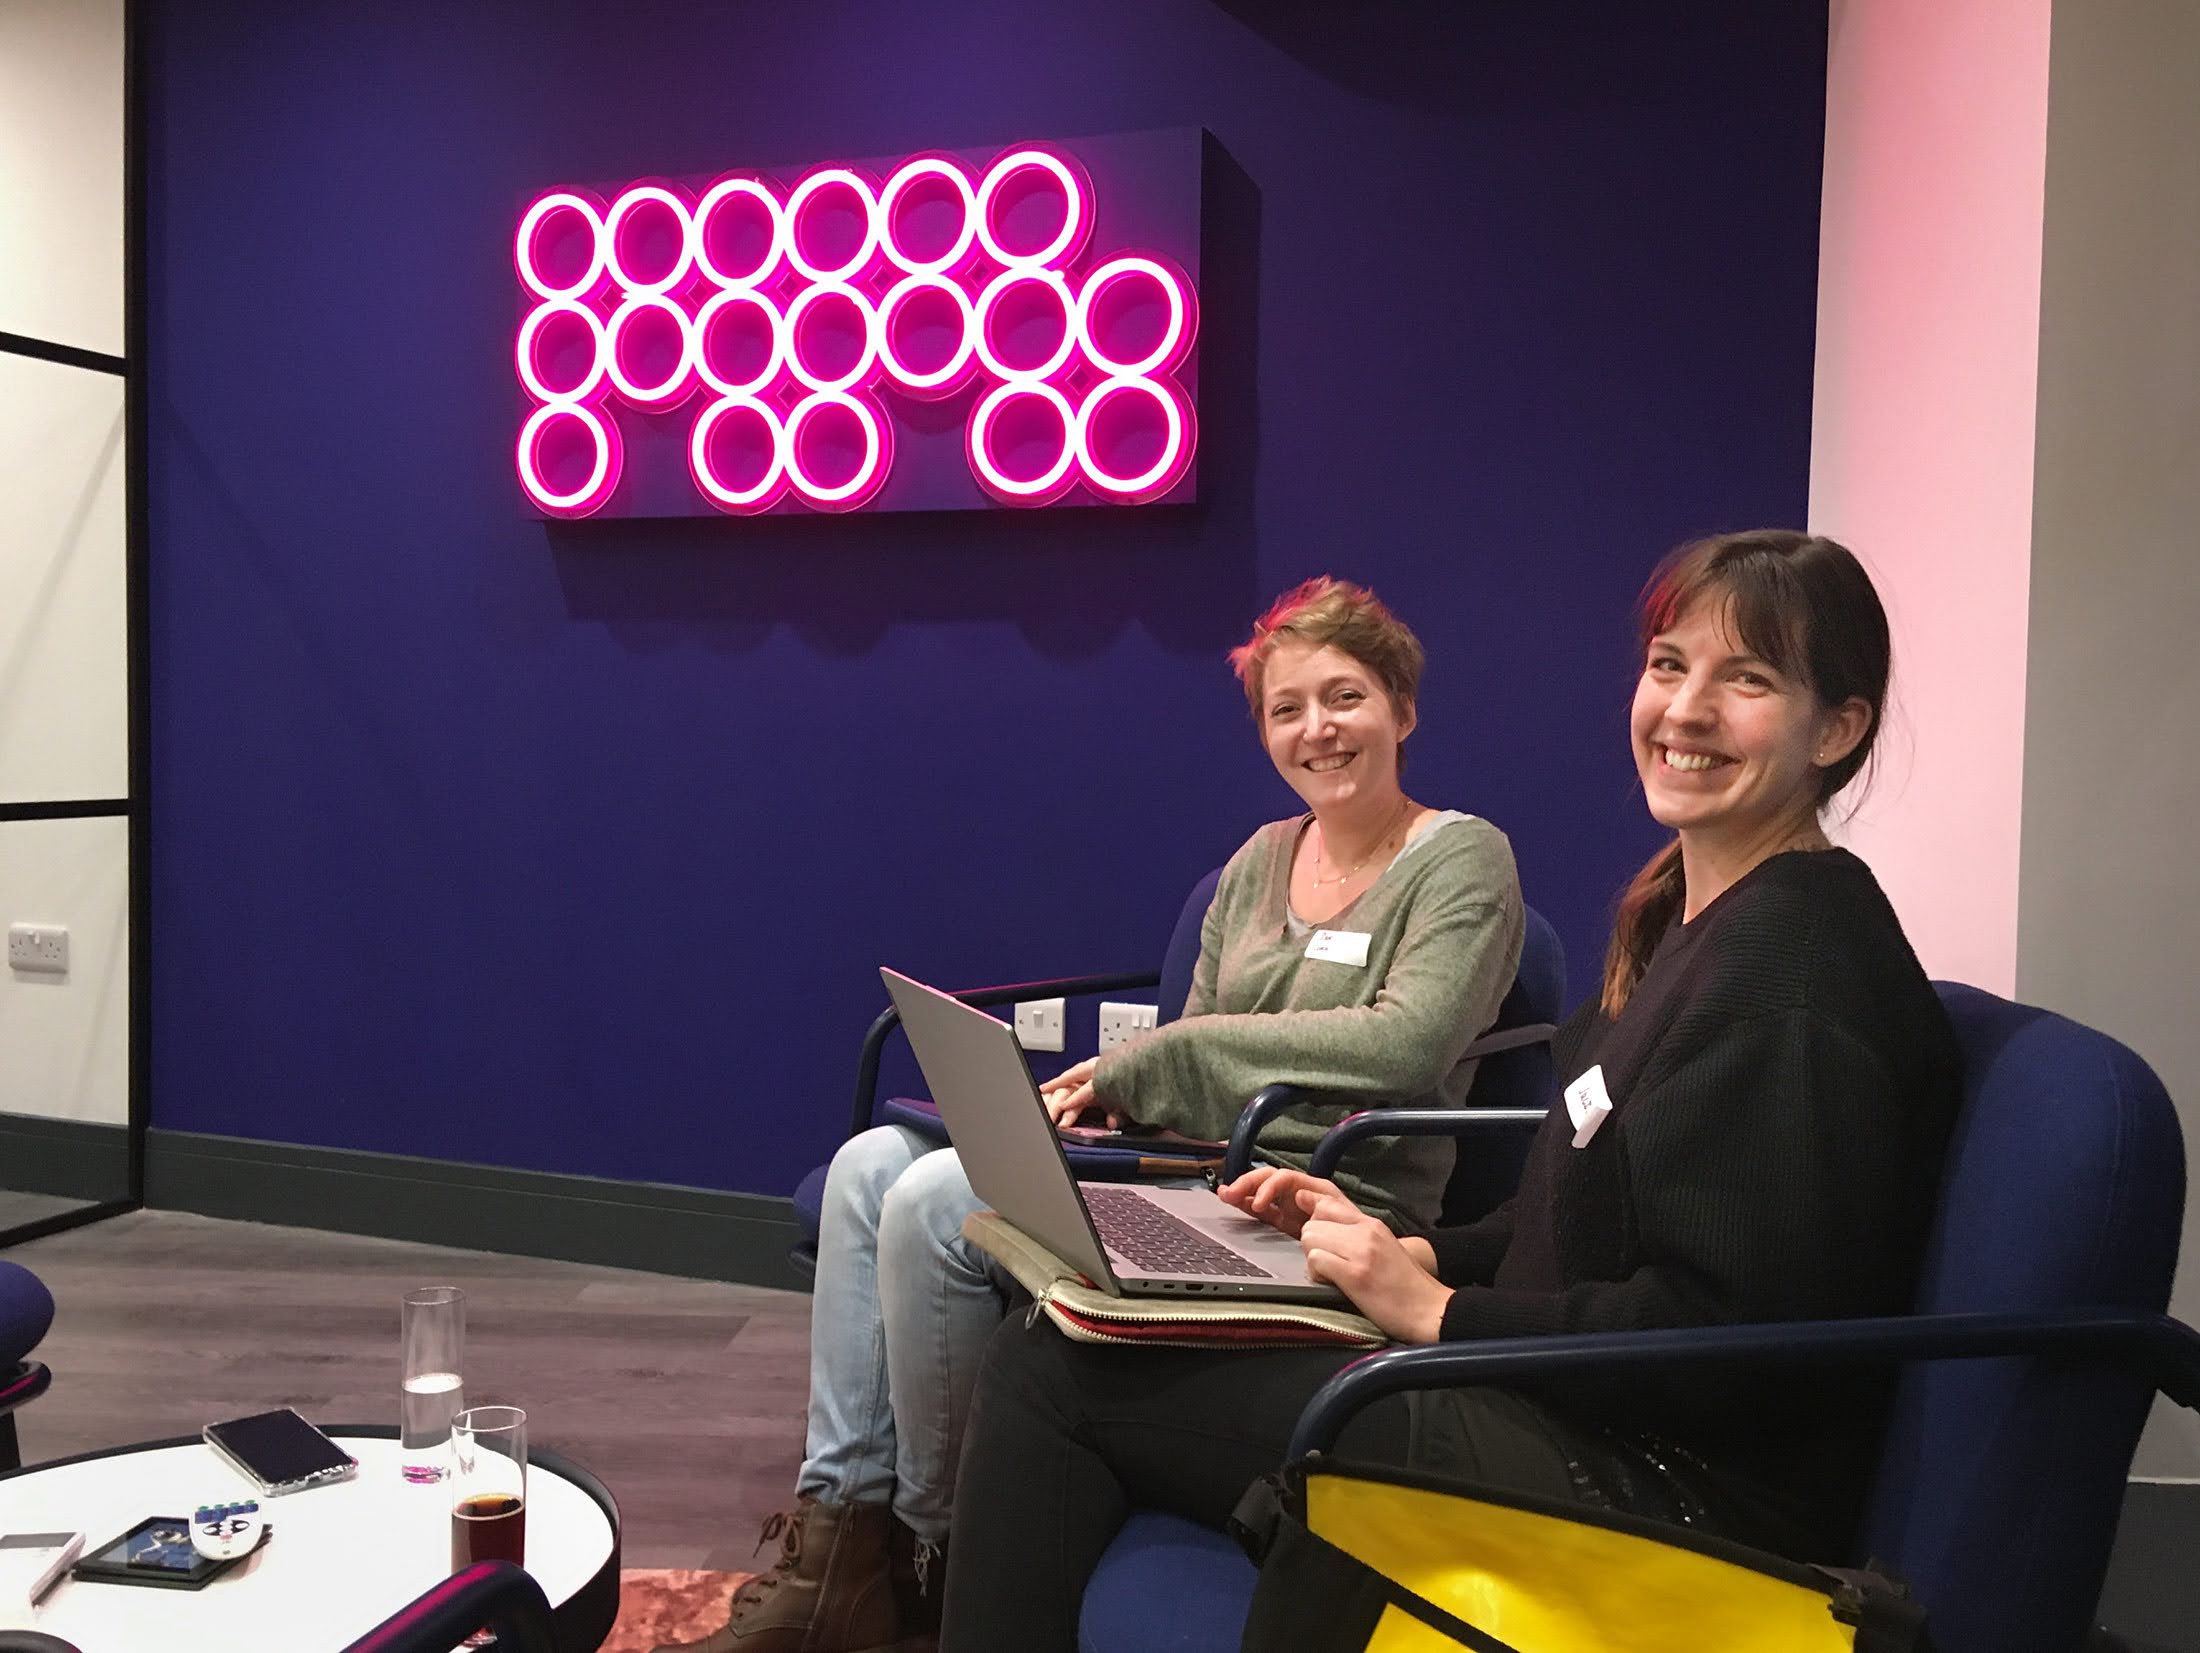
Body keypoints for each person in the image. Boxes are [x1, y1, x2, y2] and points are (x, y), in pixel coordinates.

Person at [938, 530, 1964, 1652]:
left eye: (1748, 679)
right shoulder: (1690, 917)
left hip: (1659, 1491)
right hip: (1562, 1403)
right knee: (1075, 1331)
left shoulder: (1794, 969)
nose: (1686, 709)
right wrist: (1412, 1250)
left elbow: (1723, 1338)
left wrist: (1438, 1313)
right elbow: (1570, 1219)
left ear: (1838, 728)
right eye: (1669, 665)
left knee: (1053, 1372)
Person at [660, 578, 1525, 1653]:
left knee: (933, 1200)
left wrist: (1159, 1062)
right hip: (1198, 1162)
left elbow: (1405, 1044)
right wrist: (1128, 1102)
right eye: (1286, 708)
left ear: (1402, 705)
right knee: (869, 1165)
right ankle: (840, 1537)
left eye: (1344, 696)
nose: (1317, 728)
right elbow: (1199, 1044)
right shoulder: (1259, 859)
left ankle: (933, 1548)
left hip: (1325, 1202)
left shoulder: (1462, 857)